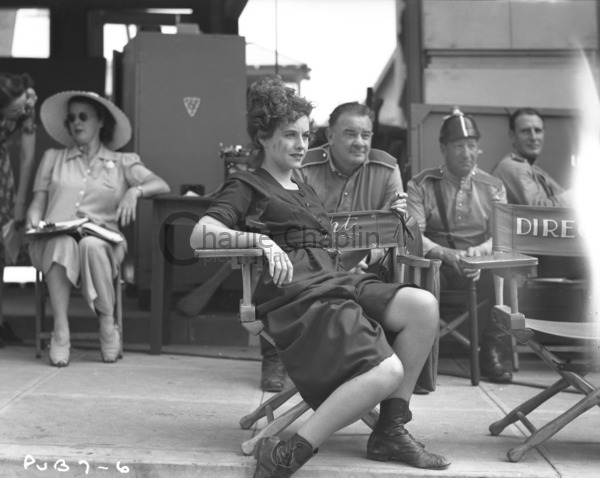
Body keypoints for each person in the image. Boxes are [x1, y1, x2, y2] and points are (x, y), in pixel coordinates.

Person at [191, 76, 449, 476]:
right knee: (387, 371)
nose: (301, 144)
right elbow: (200, 233)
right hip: (297, 294)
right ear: (262, 137)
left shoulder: (301, 184)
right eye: (290, 135)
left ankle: (389, 431)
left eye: (306, 134)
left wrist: (379, 236)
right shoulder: (247, 184)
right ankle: (289, 452)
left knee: (423, 307)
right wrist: (260, 243)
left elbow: (325, 248)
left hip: (334, 280)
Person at [257, 102, 408, 393]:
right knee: (283, 276)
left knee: (399, 276)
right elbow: (290, 225)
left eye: (366, 135)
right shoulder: (303, 166)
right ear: (330, 137)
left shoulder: (386, 168)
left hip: (366, 262)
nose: (360, 142)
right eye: (350, 134)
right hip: (309, 260)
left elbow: (395, 225)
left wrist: (368, 253)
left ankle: (380, 364)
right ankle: (274, 356)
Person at [26, 91, 170, 367]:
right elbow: (38, 202)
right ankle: (60, 330)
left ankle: (106, 322)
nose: (76, 123)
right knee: (62, 244)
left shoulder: (122, 162)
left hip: (102, 242)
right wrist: (34, 220)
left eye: (83, 116)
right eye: (71, 118)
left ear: (100, 120)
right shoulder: (53, 158)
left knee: (90, 245)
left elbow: (160, 184)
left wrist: (134, 192)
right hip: (54, 238)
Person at [407, 106, 513, 383]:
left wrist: (480, 254)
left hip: (478, 263)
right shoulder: (421, 185)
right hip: (438, 262)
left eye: (471, 145)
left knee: (504, 272)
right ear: (443, 148)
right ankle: (420, 357)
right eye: (458, 146)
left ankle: (491, 352)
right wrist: (444, 253)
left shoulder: (493, 187)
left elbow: (502, 235)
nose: (466, 153)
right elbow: (413, 234)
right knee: (420, 273)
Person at [0, 72, 38, 347]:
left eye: (23, 104)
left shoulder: (27, 105)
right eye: (14, 110)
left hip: (2, 179)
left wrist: (20, 202)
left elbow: (27, 157)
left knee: (2, 250)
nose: (22, 110)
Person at [491, 107, 572, 206]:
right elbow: (537, 209)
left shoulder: (534, 169)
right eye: (525, 131)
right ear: (512, 136)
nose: (533, 137)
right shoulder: (511, 167)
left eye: (537, 131)